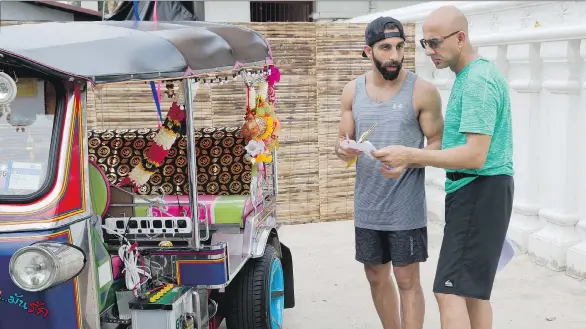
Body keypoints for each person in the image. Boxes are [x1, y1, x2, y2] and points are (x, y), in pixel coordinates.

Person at [371, 6, 514, 329]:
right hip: (485, 191)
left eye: (435, 42)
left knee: (448, 293)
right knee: (473, 294)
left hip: (478, 190)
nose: (430, 51)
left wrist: (411, 155)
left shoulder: (477, 80)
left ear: (460, 38)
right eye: (424, 44)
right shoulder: (472, 75)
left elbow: (475, 155)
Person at [334, 16, 444, 329]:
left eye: (399, 47)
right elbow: (341, 143)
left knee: (407, 279)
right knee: (375, 275)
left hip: (405, 207)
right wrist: (342, 150)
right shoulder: (351, 92)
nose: (394, 55)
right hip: (368, 205)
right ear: (368, 51)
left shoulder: (422, 91)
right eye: (385, 47)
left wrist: (408, 157)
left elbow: (438, 146)